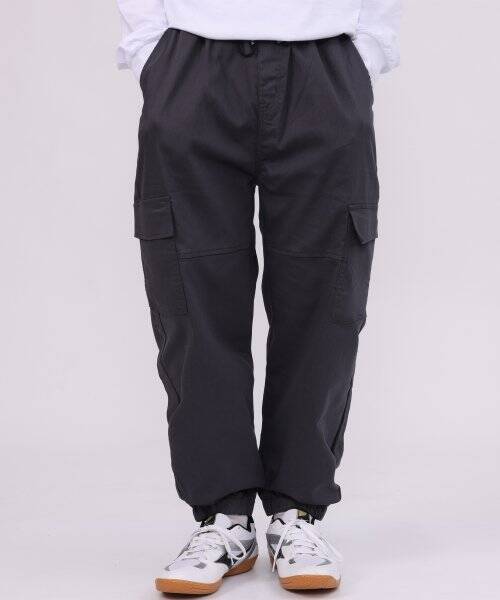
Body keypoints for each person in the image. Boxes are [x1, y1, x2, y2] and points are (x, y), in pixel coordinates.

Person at [117, 0, 401, 593]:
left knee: (325, 300)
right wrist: (153, 53)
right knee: (190, 299)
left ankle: (297, 514)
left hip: (325, 63)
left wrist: (366, 48)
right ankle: (223, 519)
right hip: (190, 61)